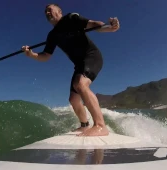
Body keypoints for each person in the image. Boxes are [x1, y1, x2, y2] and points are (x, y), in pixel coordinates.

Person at [21, 4, 120, 136]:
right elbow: (45, 56)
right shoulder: (52, 35)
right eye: (46, 11)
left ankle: (101, 126)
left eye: (50, 10)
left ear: (59, 11)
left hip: (92, 57)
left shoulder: (71, 18)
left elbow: (93, 24)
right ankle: (84, 125)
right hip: (79, 65)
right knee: (73, 99)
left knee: (80, 84)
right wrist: (31, 54)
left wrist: (110, 28)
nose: (47, 12)